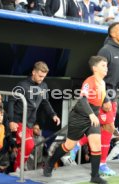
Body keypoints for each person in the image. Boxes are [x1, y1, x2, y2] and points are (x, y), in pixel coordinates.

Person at [70, 22, 119, 176]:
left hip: (115, 95)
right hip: (103, 93)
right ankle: (100, 162)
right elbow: (96, 74)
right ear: (112, 34)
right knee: (108, 127)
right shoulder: (106, 50)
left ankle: (79, 145)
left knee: (106, 128)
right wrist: (104, 99)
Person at [43, 56, 108, 184]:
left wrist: (105, 103)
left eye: (106, 65)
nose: (106, 68)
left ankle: (94, 176)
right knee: (69, 146)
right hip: (79, 116)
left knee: (96, 145)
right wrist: (90, 114)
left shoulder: (103, 82)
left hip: (93, 117)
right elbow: (83, 99)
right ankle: (50, 163)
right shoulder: (89, 81)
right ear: (94, 68)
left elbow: (99, 98)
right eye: (103, 65)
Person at [8, 61, 60, 172]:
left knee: (26, 147)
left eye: (44, 77)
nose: (42, 79)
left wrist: (53, 115)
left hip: (30, 123)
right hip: (19, 121)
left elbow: (45, 102)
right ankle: (18, 168)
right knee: (29, 145)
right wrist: (11, 121)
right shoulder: (22, 85)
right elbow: (11, 102)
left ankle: (18, 167)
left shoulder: (44, 86)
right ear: (33, 72)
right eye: (40, 76)